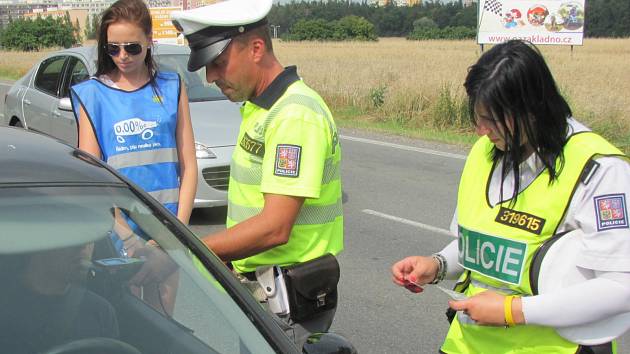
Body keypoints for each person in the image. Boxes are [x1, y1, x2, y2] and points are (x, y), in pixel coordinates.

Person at [391, 40, 630, 354]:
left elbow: (620, 287)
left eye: (492, 119)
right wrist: (437, 265)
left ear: (532, 109)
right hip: (467, 344)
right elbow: (478, 243)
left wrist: (511, 312)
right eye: (477, 118)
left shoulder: (599, 170)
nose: (481, 130)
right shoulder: (486, 151)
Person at [171, 0, 343, 347]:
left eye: (219, 63)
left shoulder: (294, 115)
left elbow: (274, 227)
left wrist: (188, 250)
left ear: (257, 48)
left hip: (286, 302)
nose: (211, 77)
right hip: (262, 290)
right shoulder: (262, 107)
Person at [70, 0, 196, 314]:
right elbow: (92, 177)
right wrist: (127, 239)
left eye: (132, 47)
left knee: (164, 323)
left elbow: (188, 164)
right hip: (118, 234)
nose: (123, 56)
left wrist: (176, 235)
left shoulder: (172, 87)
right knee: (130, 324)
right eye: (113, 49)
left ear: (149, 42)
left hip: (167, 230)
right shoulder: (92, 94)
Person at [0, 244, 120, 354]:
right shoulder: (4, 307)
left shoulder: (102, 312)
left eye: (91, 237)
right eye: (71, 236)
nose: (84, 246)